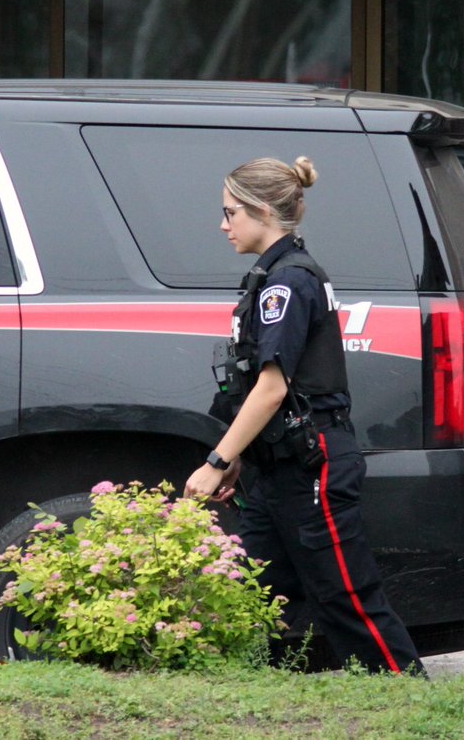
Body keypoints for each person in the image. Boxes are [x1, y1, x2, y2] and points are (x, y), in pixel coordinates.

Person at [183, 156, 424, 675]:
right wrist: (246, 458)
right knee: (248, 586)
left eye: (230, 213)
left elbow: (272, 389)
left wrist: (219, 461)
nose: (222, 225)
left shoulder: (287, 282)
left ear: (263, 211)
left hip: (313, 465)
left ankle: (406, 696)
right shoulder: (274, 273)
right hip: (280, 468)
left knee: (345, 597)